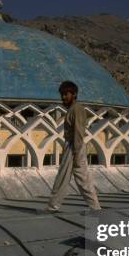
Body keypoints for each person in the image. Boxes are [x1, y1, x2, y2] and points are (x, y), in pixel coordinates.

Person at [45, 81, 101, 212]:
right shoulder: (72, 109)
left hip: (75, 147)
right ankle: (54, 205)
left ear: (74, 94)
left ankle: (95, 207)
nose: (63, 97)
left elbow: (79, 131)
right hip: (71, 146)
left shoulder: (77, 109)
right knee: (65, 176)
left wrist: (76, 152)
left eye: (66, 94)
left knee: (80, 178)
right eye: (62, 95)